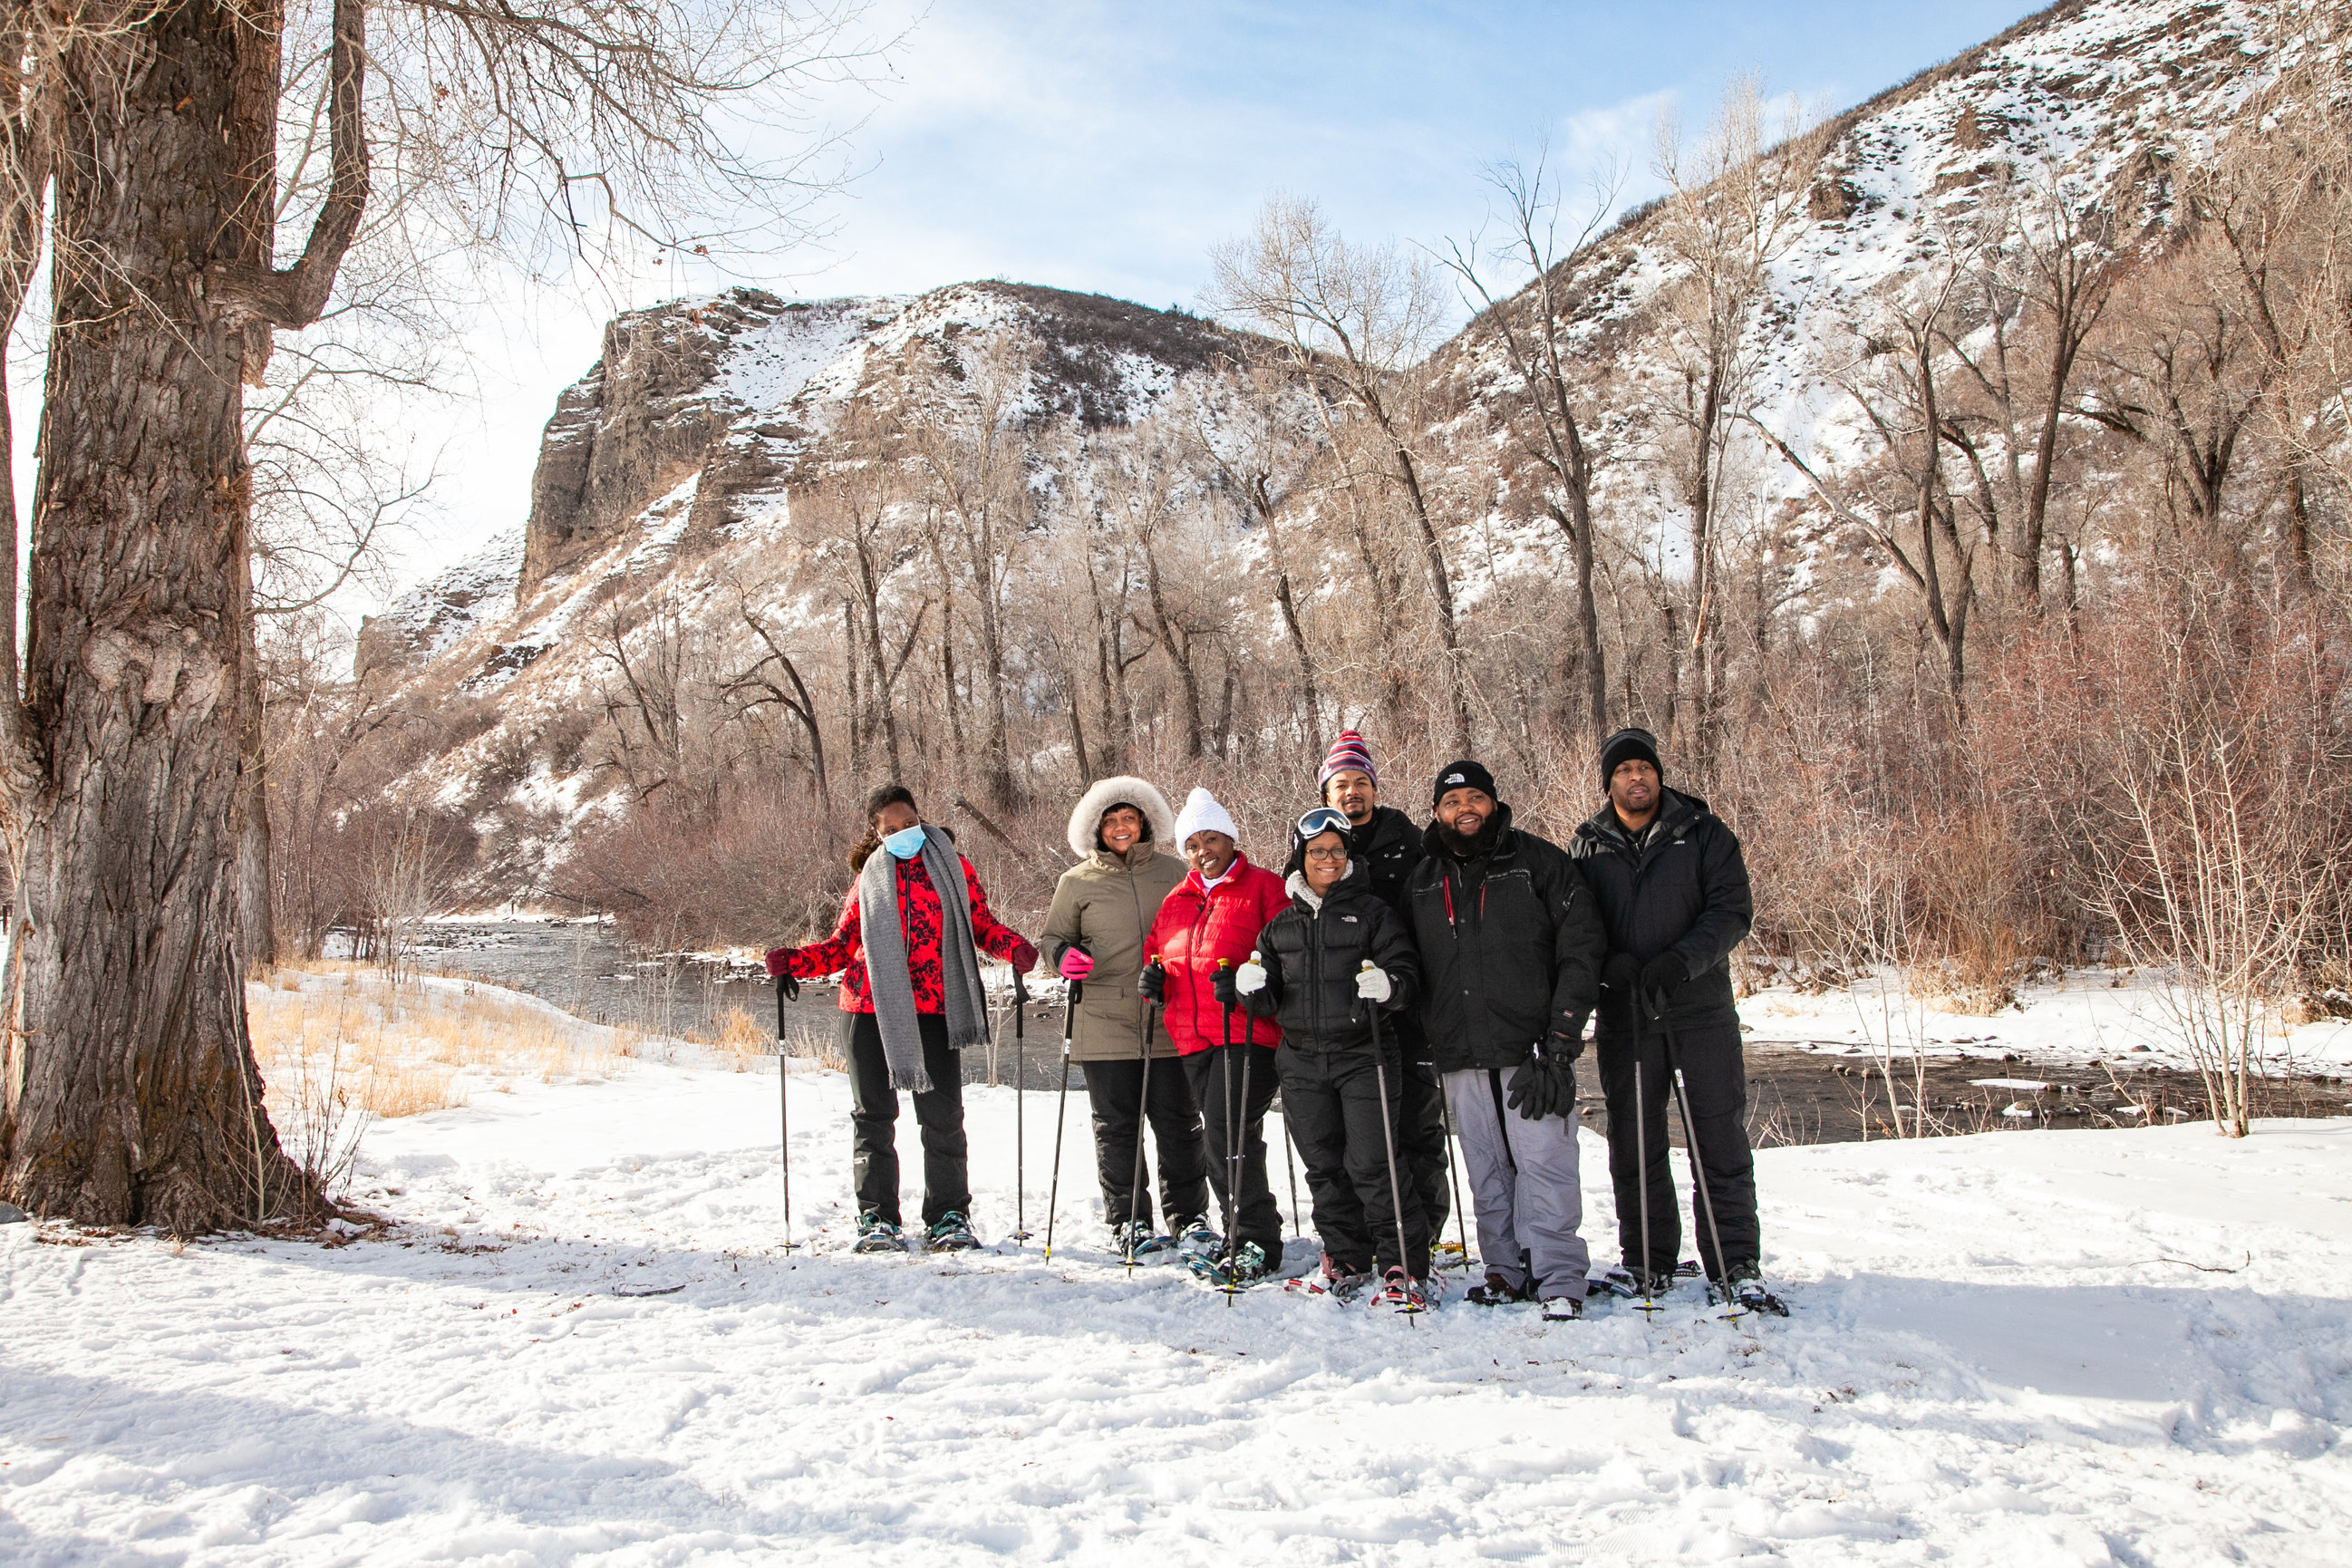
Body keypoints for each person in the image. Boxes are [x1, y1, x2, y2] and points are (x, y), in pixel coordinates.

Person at [765, 785, 1038, 1254]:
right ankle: (877, 1219)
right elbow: (840, 947)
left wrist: (1013, 947)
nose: (900, 833)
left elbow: (981, 924)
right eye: (888, 829)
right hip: (868, 1010)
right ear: (876, 833)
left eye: (906, 824)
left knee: (943, 1118)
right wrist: (793, 960)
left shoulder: (954, 865)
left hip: (935, 1009)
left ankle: (949, 1215)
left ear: (919, 818)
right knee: (873, 1118)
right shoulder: (869, 877)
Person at [1573, 728, 1782, 1315]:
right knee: (1633, 1144)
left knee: (1717, 1137)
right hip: (1625, 1016)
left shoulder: (1704, 834)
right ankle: (1646, 1261)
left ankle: (1734, 1262)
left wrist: (1681, 962)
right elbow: (1577, 922)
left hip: (1699, 1012)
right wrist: (1606, 962)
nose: (1635, 778)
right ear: (1608, 781)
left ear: (1658, 775)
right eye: (1623, 770)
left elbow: (1730, 910)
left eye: (1644, 767)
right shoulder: (1587, 846)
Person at [1403, 760, 1605, 1321]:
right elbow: (1405, 961)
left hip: (1533, 1050)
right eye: (1450, 802)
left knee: (1544, 1163)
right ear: (1437, 813)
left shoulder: (1538, 863)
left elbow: (1581, 948)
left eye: (1474, 798)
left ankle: (1559, 1275)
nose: (1463, 809)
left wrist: (1562, 1038)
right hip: (1460, 1051)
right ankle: (1503, 1269)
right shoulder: (1422, 879)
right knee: (1485, 1165)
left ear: (1493, 803)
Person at [1239, 807, 1428, 1308]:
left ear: (1349, 857)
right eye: (1317, 851)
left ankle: (1401, 1262)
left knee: (1374, 1162)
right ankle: (1344, 1254)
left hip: (1364, 1055)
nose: (1327, 859)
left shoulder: (1374, 914)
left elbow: (1408, 976)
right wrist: (1248, 990)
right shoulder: (1281, 925)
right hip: (1300, 1060)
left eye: (1336, 851)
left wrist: (1389, 986)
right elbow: (1270, 996)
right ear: (1301, 857)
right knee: (1323, 1166)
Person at [1040, 776, 1209, 1256]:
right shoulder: (1076, 882)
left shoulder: (1176, 872)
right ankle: (1129, 1221)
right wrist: (1062, 956)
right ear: (1096, 828)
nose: (1120, 826)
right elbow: (1052, 939)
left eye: (1129, 818)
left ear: (1145, 822)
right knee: (1116, 1128)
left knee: (1179, 1122)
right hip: (1102, 1020)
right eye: (1111, 820)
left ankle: (1190, 1217)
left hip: (1169, 1018)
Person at [1140, 787, 1291, 1285]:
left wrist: (1253, 981)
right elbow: (1158, 952)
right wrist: (1153, 980)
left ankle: (1255, 1242)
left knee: (1228, 1131)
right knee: (1224, 1137)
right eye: (1193, 843)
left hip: (1249, 1032)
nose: (1204, 850)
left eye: (1213, 839)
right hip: (1192, 1037)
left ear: (1231, 840)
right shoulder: (1176, 900)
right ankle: (1245, 1228)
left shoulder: (1265, 888)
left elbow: (1291, 956)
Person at [1316, 730, 1453, 1254]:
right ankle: (1364, 1234)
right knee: (1355, 1135)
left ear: (1374, 788)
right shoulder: (1313, 847)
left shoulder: (1410, 842)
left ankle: (1424, 1229)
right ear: (1326, 796)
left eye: (1359, 783)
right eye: (1340, 785)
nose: (1351, 793)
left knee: (1416, 1123)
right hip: (1341, 1016)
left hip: (1408, 1007)